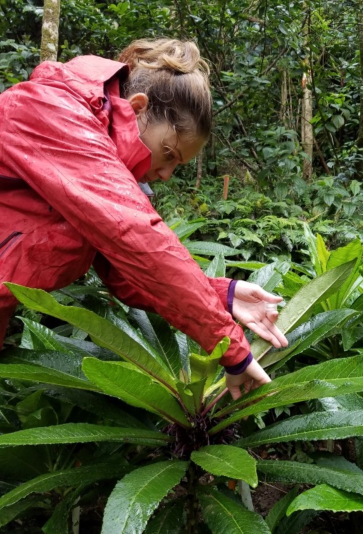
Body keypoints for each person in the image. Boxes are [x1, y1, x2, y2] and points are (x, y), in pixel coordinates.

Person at [0, 38, 287, 399]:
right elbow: (137, 237)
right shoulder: (51, 110)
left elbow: (130, 276)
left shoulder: (102, 158)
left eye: (177, 166)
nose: (166, 174)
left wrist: (222, 294)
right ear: (137, 109)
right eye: (168, 154)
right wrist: (231, 348)